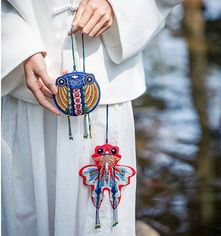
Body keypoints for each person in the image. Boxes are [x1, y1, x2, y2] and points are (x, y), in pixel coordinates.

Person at [1, 0, 182, 235]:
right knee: (27, 213)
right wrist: (18, 45)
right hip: (26, 82)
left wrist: (118, 6)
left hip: (107, 87)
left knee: (100, 219)